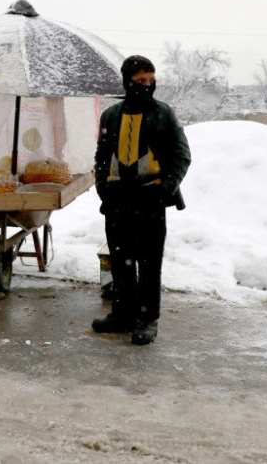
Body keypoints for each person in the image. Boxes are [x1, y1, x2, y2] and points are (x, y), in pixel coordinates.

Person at [93, 55, 191, 346]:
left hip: (150, 199)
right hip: (118, 200)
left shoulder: (164, 113)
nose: (147, 86)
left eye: (151, 80)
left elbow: (181, 156)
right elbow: (101, 157)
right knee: (121, 261)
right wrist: (103, 189)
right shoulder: (110, 115)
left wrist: (165, 189)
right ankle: (122, 314)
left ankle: (148, 319)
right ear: (128, 82)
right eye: (140, 81)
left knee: (149, 263)